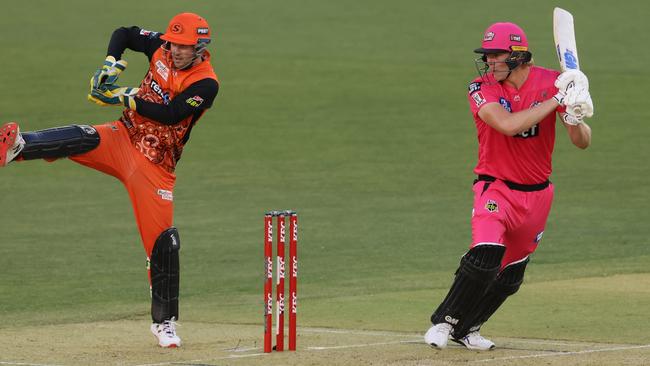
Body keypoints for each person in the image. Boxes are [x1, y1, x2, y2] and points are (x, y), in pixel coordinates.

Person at [0, 12, 219, 348]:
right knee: (84, 136)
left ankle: (164, 324)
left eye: (184, 46)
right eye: (174, 43)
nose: (175, 50)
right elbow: (125, 33)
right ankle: (19, 146)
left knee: (162, 244)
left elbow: (172, 113)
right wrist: (111, 63)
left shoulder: (206, 83)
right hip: (122, 137)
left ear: (200, 47)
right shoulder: (161, 46)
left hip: (155, 166)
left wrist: (121, 96)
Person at [424, 22, 593, 350]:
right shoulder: (481, 87)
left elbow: (582, 142)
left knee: (510, 276)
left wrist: (574, 114)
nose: (489, 62)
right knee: (486, 254)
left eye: (495, 56)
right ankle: (444, 322)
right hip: (495, 187)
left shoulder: (550, 82)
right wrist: (558, 97)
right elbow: (507, 125)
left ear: (517, 56)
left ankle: (468, 328)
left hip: (538, 194)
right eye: (486, 56)